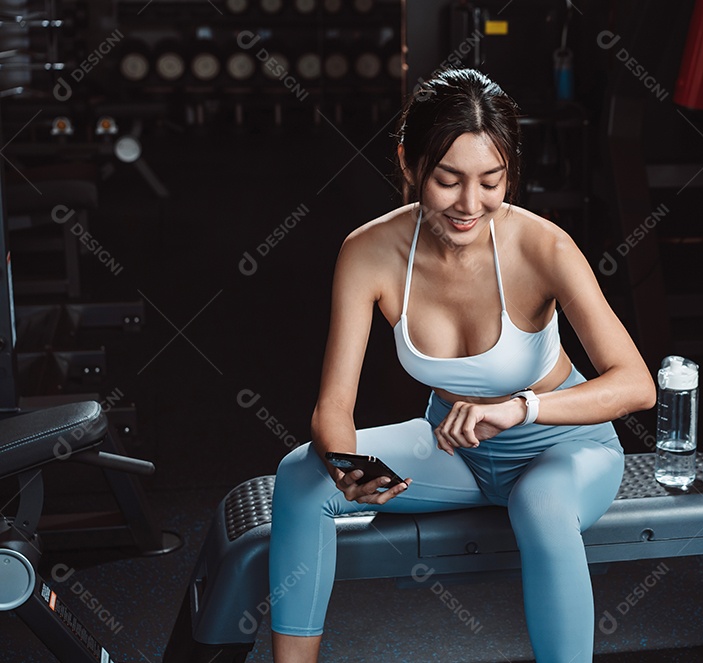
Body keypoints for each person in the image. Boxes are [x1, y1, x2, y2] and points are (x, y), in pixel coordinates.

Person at [268, 67, 655, 663]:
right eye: (448, 180)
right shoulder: (368, 252)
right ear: (409, 163)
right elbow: (333, 409)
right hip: (457, 454)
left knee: (542, 505)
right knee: (301, 476)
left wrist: (519, 409)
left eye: (491, 181)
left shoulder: (544, 247)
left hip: (563, 449)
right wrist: (350, 471)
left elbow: (636, 386)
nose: (469, 205)